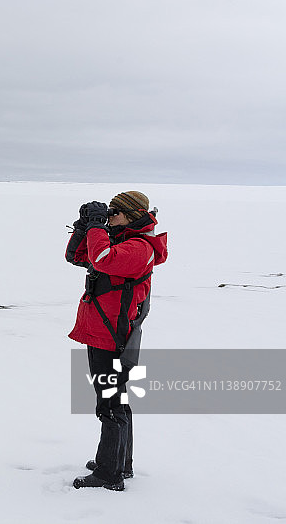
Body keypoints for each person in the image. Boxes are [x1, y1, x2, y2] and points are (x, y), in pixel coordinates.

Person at [65, 191, 168, 491]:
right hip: (102, 331)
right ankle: (120, 462)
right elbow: (78, 256)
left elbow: (101, 258)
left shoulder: (139, 247)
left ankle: (110, 475)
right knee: (117, 400)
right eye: (107, 213)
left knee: (109, 405)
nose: (109, 217)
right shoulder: (123, 239)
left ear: (131, 214)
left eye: (113, 213)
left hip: (113, 337)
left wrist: (98, 227)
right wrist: (86, 226)